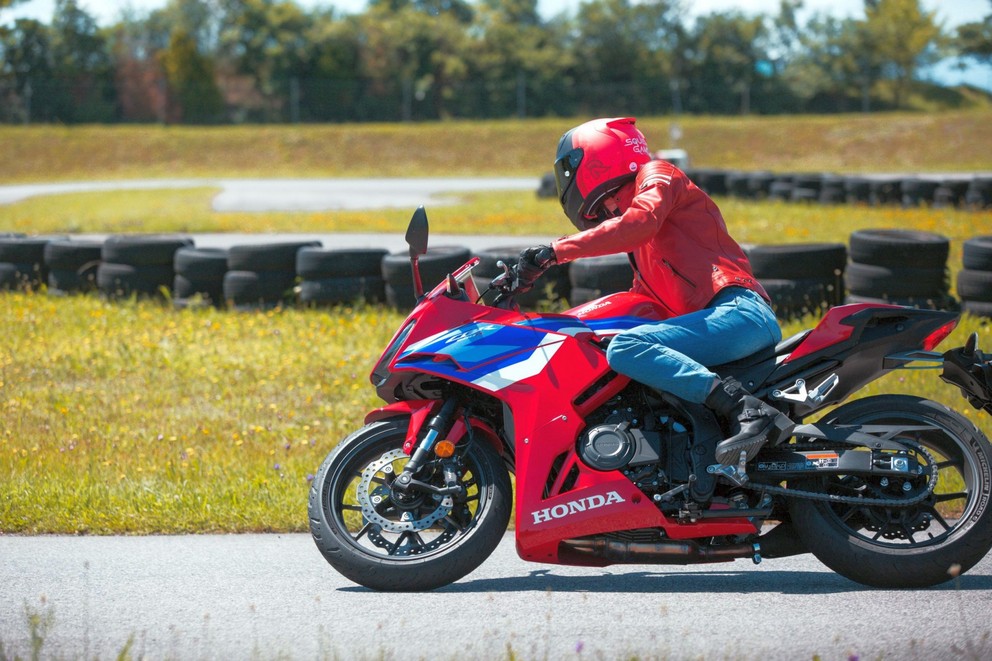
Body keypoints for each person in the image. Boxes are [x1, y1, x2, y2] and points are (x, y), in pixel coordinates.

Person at [517, 117, 793, 467]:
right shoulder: (644, 250)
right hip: (718, 322)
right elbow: (638, 305)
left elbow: (637, 223)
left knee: (627, 347)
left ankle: (744, 408)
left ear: (594, 160)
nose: (609, 213)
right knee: (619, 352)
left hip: (739, 312)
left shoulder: (658, 174)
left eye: (612, 206)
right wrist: (568, 328)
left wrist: (556, 251)